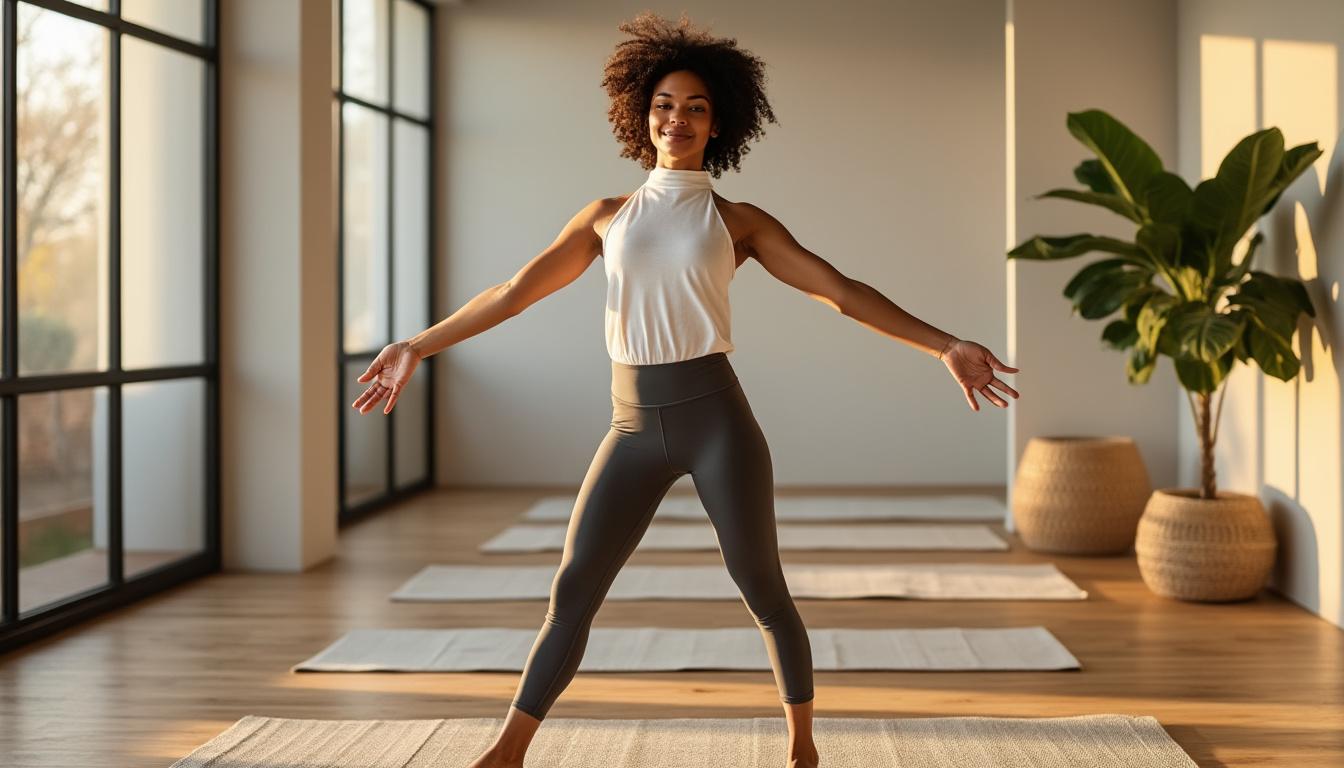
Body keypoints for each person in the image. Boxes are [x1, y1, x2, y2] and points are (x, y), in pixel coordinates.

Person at [351, 12, 1019, 768]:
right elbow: (511, 293)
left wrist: (946, 344)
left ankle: (803, 749)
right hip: (631, 426)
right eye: (666, 103)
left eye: (696, 106)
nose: (678, 116)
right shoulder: (605, 217)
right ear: (642, 114)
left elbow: (839, 290)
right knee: (573, 590)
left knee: (760, 584)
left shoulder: (739, 222)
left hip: (715, 420)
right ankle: (507, 752)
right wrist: (415, 344)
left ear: (717, 123)